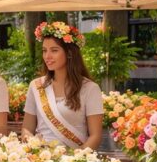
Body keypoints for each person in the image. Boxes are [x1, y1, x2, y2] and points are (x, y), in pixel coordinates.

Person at [22, 22, 103, 150]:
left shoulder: (90, 88)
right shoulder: (36, 86)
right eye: (44, 51)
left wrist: (74, 161)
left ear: (69, 53)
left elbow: (96, 136)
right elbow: (27, 129)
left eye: (54, 50)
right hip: (41, 160)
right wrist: (36, 150)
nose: (47, 56)